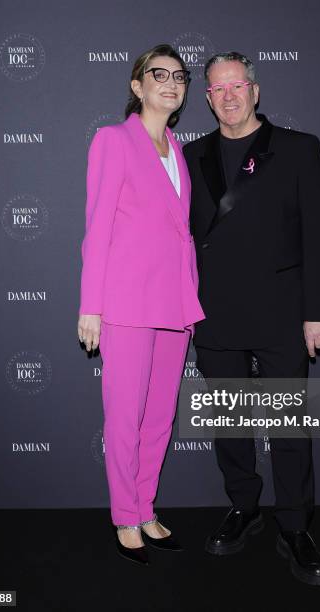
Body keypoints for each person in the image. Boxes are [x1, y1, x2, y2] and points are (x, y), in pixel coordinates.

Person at [183, 51, 320, 585]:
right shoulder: (190, 154)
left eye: (236, 85)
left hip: (282, 312)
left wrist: (318, 311)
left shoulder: (297, 148)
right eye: (216, 89)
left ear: (255, 90)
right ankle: (243, 508)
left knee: (289, 425)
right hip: (215, 314)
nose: (227, 96)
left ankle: (295, 526)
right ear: (206, 97)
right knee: (229, 422)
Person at [77, 44, 205, 566]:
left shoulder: (178, 148)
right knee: (124, 416)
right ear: (137, 86)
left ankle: (146, 506)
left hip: (175, 304)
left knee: (159, 417)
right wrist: (91, 306)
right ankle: (125, 516)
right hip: (126, 303)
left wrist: (190, 296)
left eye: (179, 76)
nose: (171, 83)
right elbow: (98, 227)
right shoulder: (113, 141)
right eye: (159, 74)